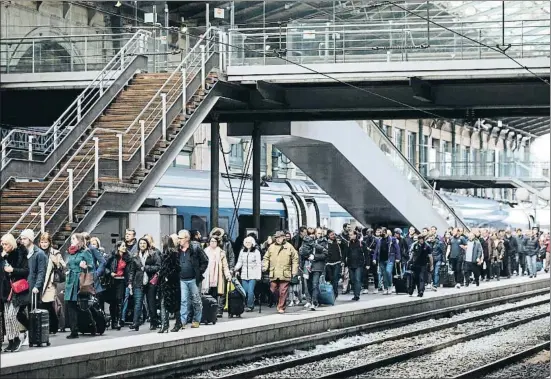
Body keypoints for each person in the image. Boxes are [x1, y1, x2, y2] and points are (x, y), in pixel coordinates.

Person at [1, 233, 30, 352]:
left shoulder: (20, 254)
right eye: (2, 244)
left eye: (6, 244)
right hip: (6, 289)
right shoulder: (3, 256)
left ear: (11, 243)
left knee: (12, 315)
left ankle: (17, 338)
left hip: (17, 289)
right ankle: (11, 340)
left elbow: (26, 271)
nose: (4, 246)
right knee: (7, 317)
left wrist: (13, 270)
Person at [64, 233, 94, 339]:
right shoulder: (71, 252)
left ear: (79, 241)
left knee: (82, 305)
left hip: (80, 280)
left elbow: (92, 267)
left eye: (73, 238)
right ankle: (74, 330)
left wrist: (85, 266)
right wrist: (67, 270)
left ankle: (92, 324)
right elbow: (70, 265)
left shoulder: (85, 252)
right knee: (70, 305)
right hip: (71, 280)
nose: (71, 240)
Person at [177, 230, 208, 329]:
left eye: (180, 238)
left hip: (194, 279)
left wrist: (199, 272)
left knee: (196, 300)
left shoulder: (195, 247)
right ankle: (182, 321)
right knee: (183, 301)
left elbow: (205, 260)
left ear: (187, 239)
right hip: (182, 279)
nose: (179, 240)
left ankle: (196, 320)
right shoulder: (177, 250)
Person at [262, 231, 299, 314]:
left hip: (285, 272)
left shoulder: (289, 247)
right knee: (273, 289)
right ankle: (280, 301)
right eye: (277, 238)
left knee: (283, 290)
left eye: (280, 237)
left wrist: (294, 271)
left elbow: (295, 258)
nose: (278, 239)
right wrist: (265, 266)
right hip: (274, 272)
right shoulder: (271, 247)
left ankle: (281, 306)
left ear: (284, 238)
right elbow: (266, 257)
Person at [39, 233, 65, 334]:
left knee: (48, 304)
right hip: (41, 281)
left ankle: (53, 326)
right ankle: (48, 326)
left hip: (50, 283)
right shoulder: (38, 252)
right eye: (42, 242)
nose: (44, 244)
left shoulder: (55, 253)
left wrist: (56, 263)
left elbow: (63, 266)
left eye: (45, 242)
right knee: (42, 305)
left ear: (49, 242)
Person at [202, 236, 232, 317]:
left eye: (215, 241)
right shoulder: (205, 251)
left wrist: (228, 275)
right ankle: (209, 311)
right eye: (211, 241)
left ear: (217, 243)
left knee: (217, 295)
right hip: (207, 278)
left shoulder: (221, 252)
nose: (213, 243)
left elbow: (225, 266)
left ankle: (217, 311)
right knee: (208, 294)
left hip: (217, 277)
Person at [158, 235, 181, 333]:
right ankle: (165, 324)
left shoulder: (173, 254)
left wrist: (168, 276)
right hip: (165, 283)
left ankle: (176, 323)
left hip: (172, 283)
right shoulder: (164, 255)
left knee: (173, 304)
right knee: (164, 303)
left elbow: (177, 268)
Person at [105, 241, 130, 330]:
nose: (124, 247)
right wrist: (110, 273)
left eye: (125, 246)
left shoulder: (127, 257)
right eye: (122, 246)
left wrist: (129, 282)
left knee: (120, 300)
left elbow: (129, 271)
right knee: (113, 301)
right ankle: (114, 321)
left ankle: (119, 321)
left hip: (122, 281)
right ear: (118, 247)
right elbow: (105, 267)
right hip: (112, 281)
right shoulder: (112, 256)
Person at [301, 228, 328, 310]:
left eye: (320, 233)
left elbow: (325, 254)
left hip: (317, 266)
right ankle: (309, 300)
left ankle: (314, 302)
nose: (319, 235)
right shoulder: (308, 242)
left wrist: (314, 257)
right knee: (308, 284)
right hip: (308, 265)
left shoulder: (323, 242)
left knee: (315, 284)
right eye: (318, 233)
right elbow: (302, 252)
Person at [234, 236, 262, 312]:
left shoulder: (256, 252)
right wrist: (235, 268)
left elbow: (258, 264)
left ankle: (250, 306)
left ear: (252, 243)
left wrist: (258, 276)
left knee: (250, 291)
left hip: (253, 275)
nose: (247, 244)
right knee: (244, 291)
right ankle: (245, 304)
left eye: (249, 242)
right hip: (244, 274)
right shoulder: (242, 251)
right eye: (246, 242)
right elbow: (240, 262)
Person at [373, 229, 401, 295]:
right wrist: (374, 258)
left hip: (390, 259)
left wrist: (398, 258)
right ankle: (385, 288)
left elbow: (397, 248)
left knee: (388, 272)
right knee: (384, 274)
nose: (380, 233)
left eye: (381, 232)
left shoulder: (392, 239)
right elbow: (376, 249)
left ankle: (390, 286)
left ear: (385, 233)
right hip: (381, 259)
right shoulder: (379, 240)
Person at [345, 230, 368, 301]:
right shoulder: (348, 244)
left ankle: (357, 295)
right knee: (352, 280)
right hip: (351, 264)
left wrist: (367, 264)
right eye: (349, 235)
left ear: (355, 235)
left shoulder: (362, 243)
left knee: (357, 279)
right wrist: (345, 262)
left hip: (359, 264)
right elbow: (346, 254)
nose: (350, 236)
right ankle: (356, 293)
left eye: (351, 235)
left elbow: (366, 254)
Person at [324, 230, 343, 299]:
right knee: (331, 278)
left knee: (335, 278)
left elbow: (343, 248)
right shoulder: (325, 243)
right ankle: (331, 292)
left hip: (337, 262)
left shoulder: (337, 242)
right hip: (328, 263)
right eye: (331, 235)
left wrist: (341, 261)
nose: (333, 236)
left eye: (334, 234)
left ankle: (335, 293)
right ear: (328, 236)